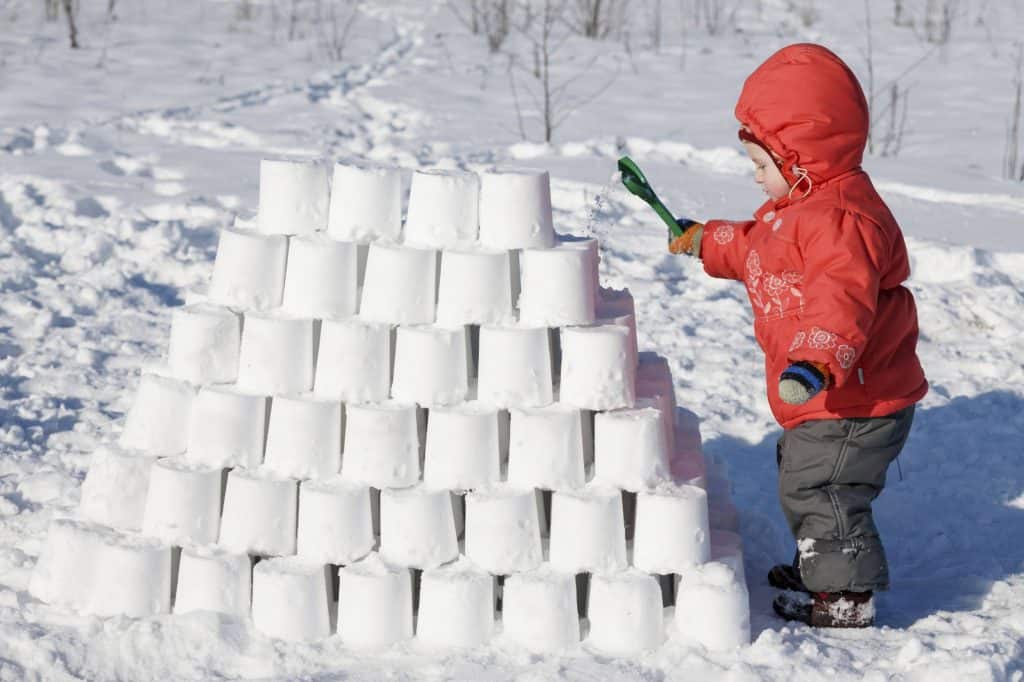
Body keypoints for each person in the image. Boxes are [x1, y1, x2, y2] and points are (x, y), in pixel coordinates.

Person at [669, 43, 927, 628]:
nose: (757, 178)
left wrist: (814, 362)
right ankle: (823, 564)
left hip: (851, 392)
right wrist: (706, 240)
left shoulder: (842, 220)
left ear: (802, 158)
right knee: (807, 477)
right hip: (827, 395)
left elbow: (843, 303)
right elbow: (759, 250)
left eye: (763, 165)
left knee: (823, 489)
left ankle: (843, 597)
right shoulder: (800, 208)